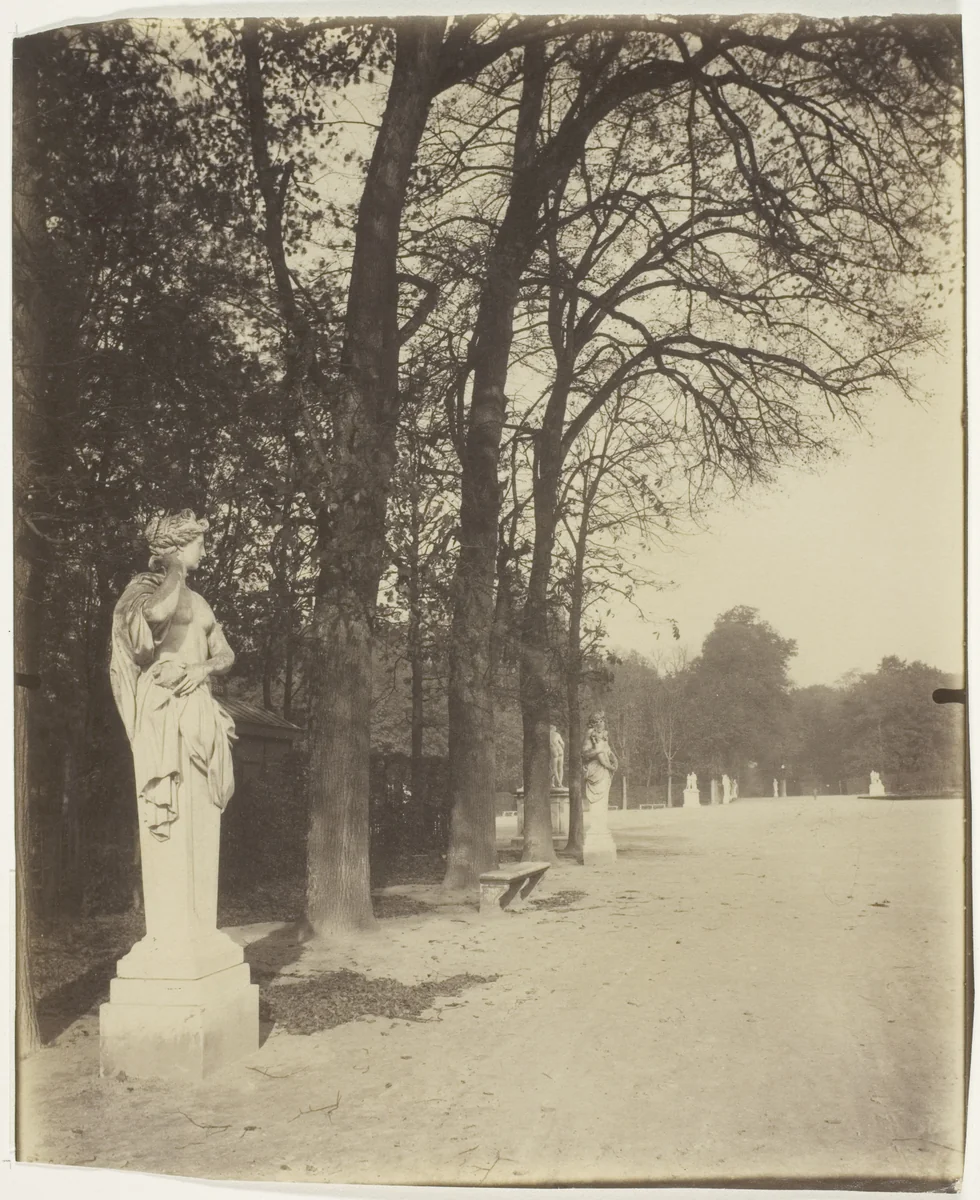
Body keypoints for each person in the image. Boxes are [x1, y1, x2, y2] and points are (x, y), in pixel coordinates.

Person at [109, 509, 238, 963]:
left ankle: (201, 933)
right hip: (163, 709)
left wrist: (201, 668)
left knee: (201, 820)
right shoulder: (145, 590)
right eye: (198, 542)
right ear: (179, 547)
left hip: (199, 707)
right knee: (171, 817)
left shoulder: (201, 603)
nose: (205, 549)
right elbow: (151, 629)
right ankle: (173, 938)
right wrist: (174, 571)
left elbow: (225, 653)